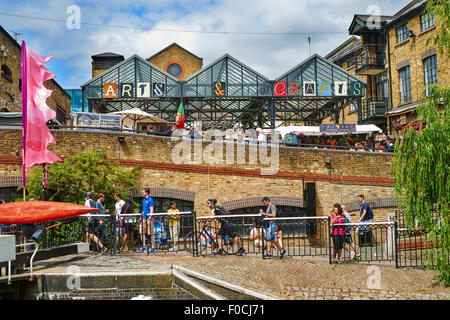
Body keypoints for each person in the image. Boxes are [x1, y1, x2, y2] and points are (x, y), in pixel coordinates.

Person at [137, 188, 155, 253]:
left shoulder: (150, 200)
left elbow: (151, 211)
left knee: (151, 233)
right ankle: (144, 246)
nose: (142, 193)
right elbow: (144, 210)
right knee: (141, 232)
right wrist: (140, 217)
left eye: (143, 192)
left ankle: (153, 247)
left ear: (146, 193)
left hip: (149, 219)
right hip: (144, 218)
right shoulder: (144, 200)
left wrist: (149, 219)